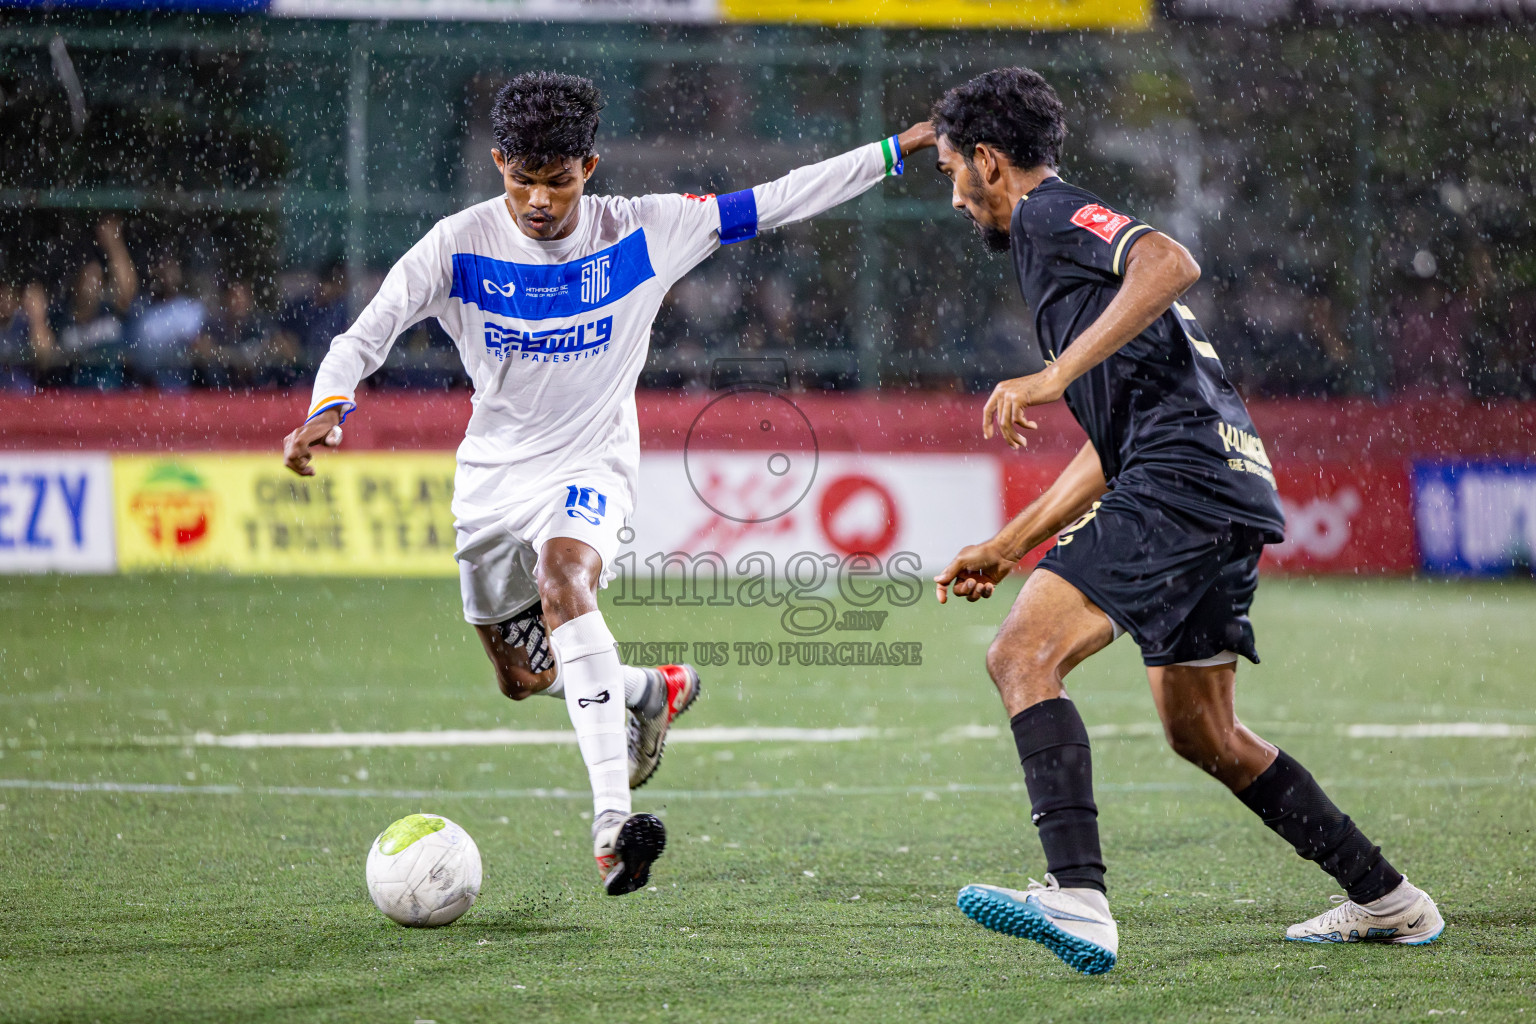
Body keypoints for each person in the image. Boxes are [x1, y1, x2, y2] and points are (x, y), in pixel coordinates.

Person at [283, 71, 935, 895]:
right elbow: (364, 331)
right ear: (498, 164)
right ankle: (644, 689)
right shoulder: (460, 242)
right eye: (523, 180)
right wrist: (327, 407)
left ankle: (611, 823)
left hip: (591, 466)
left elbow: (778, 199)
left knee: (566, 583)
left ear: (589, 167)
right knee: (521, 679)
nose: (539, 201)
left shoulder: (648, 230)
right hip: (490, 479)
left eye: (558, 181)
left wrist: (898, 149)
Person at [927, 68, 1442, 974]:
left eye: (949, 172)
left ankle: (1078, 897)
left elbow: (1169, 260)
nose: (954, 198)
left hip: (1184, 480)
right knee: (1203, 732)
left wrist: (1046, 378)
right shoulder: (1058, 265)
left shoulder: (1050, 216)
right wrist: (1011, 546)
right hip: (1217, 484)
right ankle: (1388, 899)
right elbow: (1109, 443)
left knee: (1021, 656)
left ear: (988, 162)